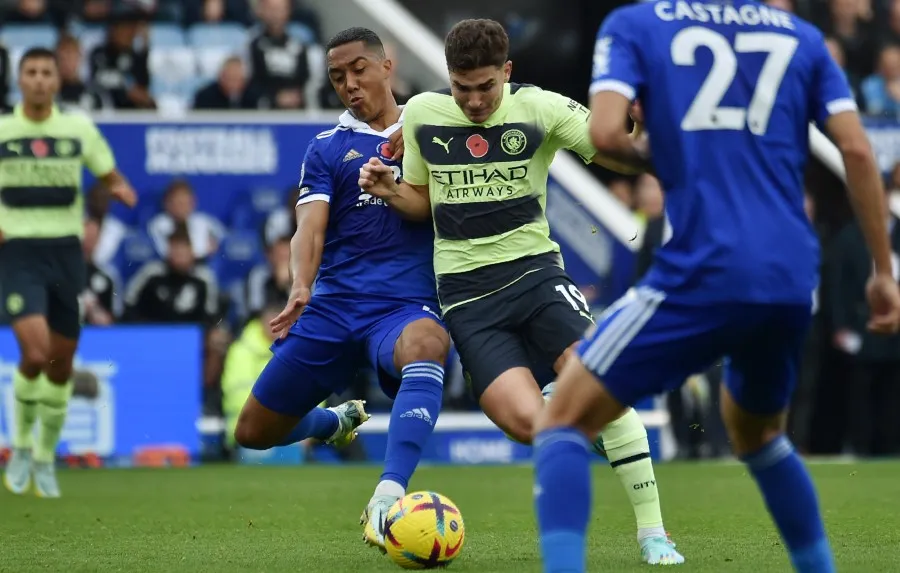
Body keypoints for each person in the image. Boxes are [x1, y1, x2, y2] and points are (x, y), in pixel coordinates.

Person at [531, 3, 900, 573]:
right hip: (789, 275)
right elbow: (855, 149)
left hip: (704, 266)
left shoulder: (637, 24)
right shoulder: (801, 37)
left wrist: (660, 153)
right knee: (758, 435)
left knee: (562, 418)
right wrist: (883, 270)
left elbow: (603, 133)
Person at [359, 19, 682, 565]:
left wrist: (648, 134)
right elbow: (421, 200)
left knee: (600, 382)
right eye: (462, 88)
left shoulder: (541, 108)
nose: (474, 100)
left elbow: (618, 151)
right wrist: (392, 191)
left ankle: (653, 534)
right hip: (468, 300)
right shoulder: (422, 115)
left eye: (486, 87)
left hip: (537, 279)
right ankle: (570, 410)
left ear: (507, 72)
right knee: (530, 425)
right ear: (448, 78)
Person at [232, 27, 450, 553]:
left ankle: (388, 495)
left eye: (358, 69)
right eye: (336, 76)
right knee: (252, 433)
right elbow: (309, 228)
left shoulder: (433, 127)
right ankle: (332, 422)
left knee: (429, 344)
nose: (348, 83)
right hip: (333, 307)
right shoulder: (327, 148)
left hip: (402, 307)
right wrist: (300, 285)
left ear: (386, 66)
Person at [1, 47, 137, 498]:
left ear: (57, 82)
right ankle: (20, 446)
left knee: (60, 365)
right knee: (35, 353)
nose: (39, 79)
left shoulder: (77, 129)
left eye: (47, 72)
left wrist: (118, 186)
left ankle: (44, 456)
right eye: (31, 72)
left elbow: (107, 172)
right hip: (18, 252)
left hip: (65, 253)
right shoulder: (4, 131)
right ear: (20, 80)